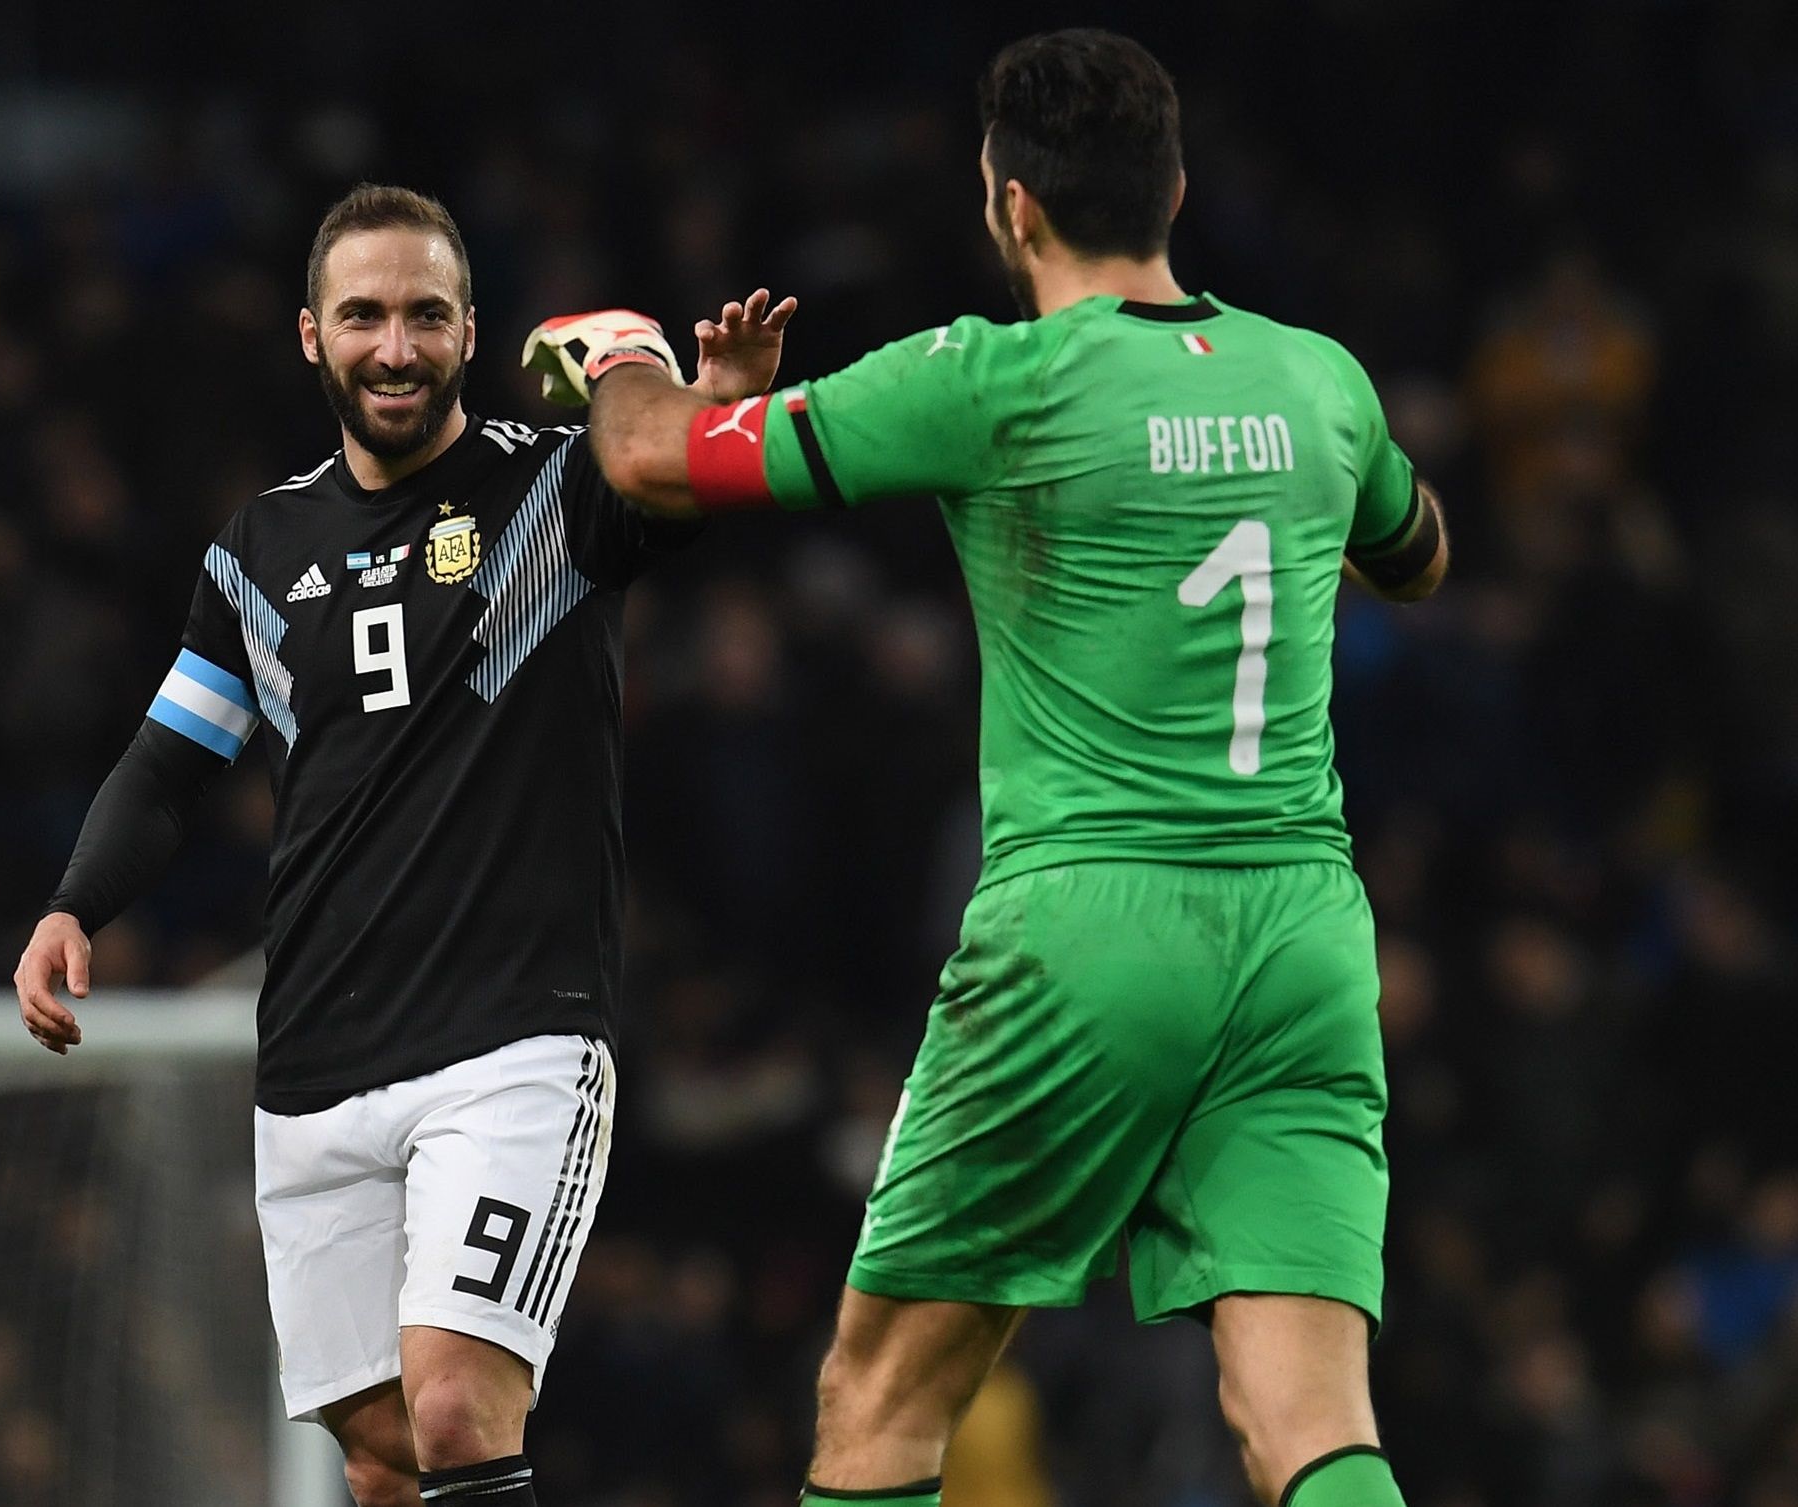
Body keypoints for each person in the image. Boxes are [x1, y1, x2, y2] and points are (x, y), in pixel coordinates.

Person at [526, 29, 1447, 1507]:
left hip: (1088, 926)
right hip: (1302, 936)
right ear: (1176, 189)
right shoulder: (1319, 382)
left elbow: (650, 463)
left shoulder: (989, 379)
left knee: (882, 1399)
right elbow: (1417, 550)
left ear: (1009, 207)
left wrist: (631, 359)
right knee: (1310, 1423)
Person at [12, 183, 793, 1507]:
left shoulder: (549, 488)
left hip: (511, 1039)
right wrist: (73, 904)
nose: (394, 345)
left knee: (452, 1405)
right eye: (363, 315)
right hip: (316, 1059)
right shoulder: (258, 552)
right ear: (310, 336)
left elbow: (672, 486)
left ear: (469, 331)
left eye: (424, 315)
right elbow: (165, 765)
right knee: (378, 1458)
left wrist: (692, 402)